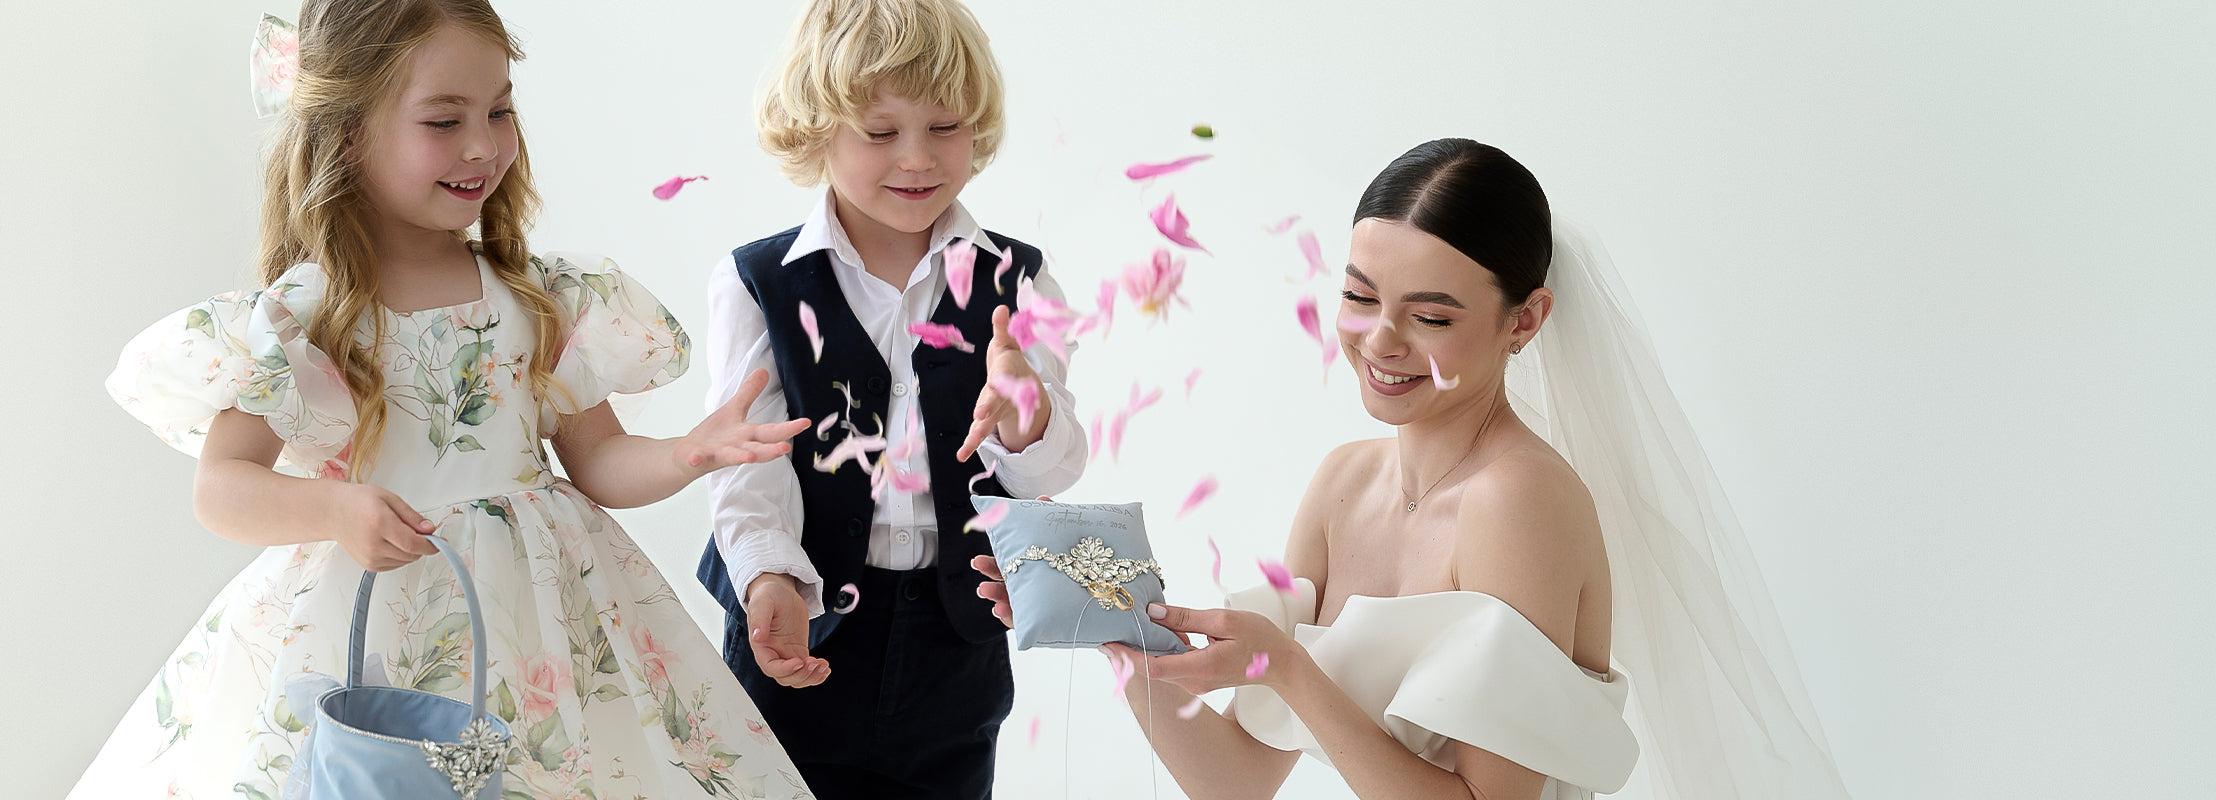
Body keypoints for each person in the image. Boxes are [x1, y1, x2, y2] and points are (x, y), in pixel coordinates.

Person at [72, 2, 815, 797]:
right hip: (367, 618)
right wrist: (337, 512)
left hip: (543, 626)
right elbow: (223, 489)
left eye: (499, 110)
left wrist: (684, 454)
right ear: (348, 132)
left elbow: (597, 461)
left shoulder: (539, 297)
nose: (482, 145)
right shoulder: (304, 318)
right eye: (442, 119)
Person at [977, 139, 1855, 800]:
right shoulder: (1342, 483)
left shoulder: (1521, 502)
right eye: (1360, 297)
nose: (1381, 343)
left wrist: (1287, 667)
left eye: (1430, 317)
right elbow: (1235, 781)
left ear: (1527, 319)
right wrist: (1107, 626)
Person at [692, 0, 1087, 797]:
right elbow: (747, 467)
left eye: (946, 127)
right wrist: (769, 581)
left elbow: (1057, 467)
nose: (917, 159)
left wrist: (1029, 420)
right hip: (799, 625)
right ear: (815, 132)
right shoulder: (757, 283)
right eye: (880, 132)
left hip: (956, 645)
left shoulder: (1022, 280)